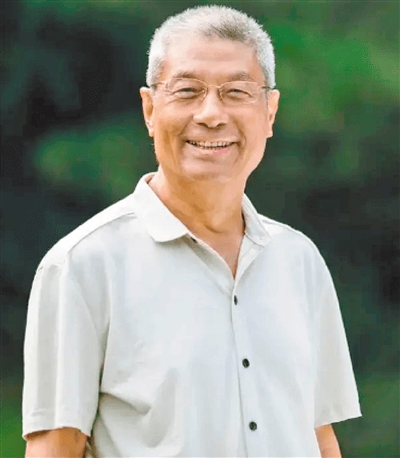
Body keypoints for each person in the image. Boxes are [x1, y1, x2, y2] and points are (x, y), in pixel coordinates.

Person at [23, 5, 361, 457]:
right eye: (187, 91)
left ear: (270, 111)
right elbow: (55, 447)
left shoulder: (299, 261)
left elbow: (319, 436)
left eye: (236, 92)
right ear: (149, 109)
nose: (211, 114)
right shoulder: (82, 267)